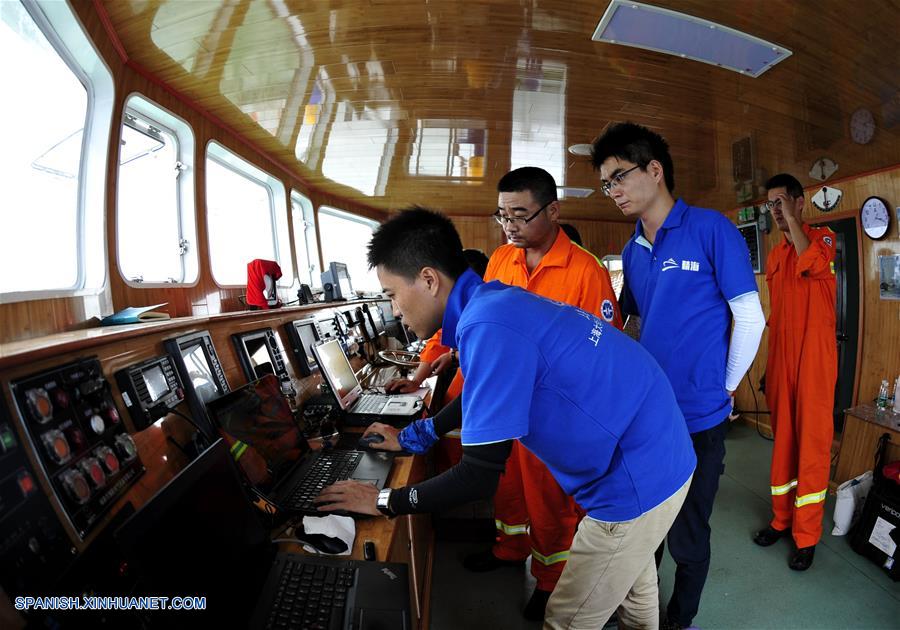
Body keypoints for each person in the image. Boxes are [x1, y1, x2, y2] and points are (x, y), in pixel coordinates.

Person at [316, 207, 696, 629]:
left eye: (391, 294)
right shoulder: (492, 303)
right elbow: (484, 389)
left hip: (636, 476)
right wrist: (414, 436)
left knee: (566, 620)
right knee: (634, 593)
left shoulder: (488, 325)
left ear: (428, 280)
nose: (395, 310)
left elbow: (477, 475)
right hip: (662, 447)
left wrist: (384, 501)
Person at [591, 122, 765, 630]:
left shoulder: (711, 229)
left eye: (618, 176)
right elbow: (637, 322)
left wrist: (725, 388)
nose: (613, 191)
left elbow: (750, 317)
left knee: (689, 532)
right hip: (647, 417)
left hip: (699, 419)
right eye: (605, 184)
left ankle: (680, 619)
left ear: (654, 170)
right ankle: (638, 612)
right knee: (642, 527)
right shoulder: (632, 250)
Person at [463, 166, 623, 621]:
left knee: (550, 499)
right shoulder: (500, 260)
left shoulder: (586, 271)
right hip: (503, 402)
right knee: (508, 484)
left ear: (552, 211)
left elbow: (602, 351)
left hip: (553, 411)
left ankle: (551, 579)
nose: (509, 225)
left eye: (520, 214)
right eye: (502, 215)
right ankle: (509, 547)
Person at [752, 174, 837, 571]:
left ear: (800, 202)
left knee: (813, 447)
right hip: (783, 359)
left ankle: (807, 535)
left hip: (815, 362)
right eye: (771, 204)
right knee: (783, 442)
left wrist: (790, 220)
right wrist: (770, 366)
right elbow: (777, 315)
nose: (776, 210)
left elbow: (813, 263)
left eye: (782, 201)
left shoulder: (823, 239)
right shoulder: (774, 257)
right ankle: (781, 519)